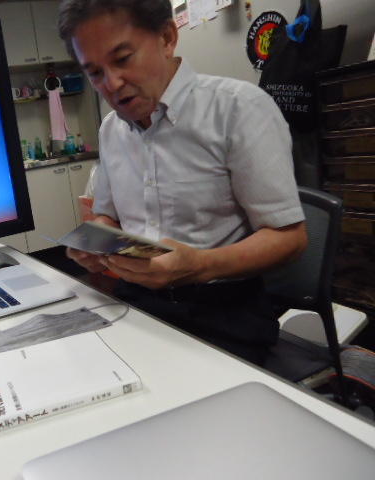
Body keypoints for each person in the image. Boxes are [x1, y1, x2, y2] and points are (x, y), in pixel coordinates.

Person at [57, 0, 308, 365]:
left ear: (167, 37)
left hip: (223, 315)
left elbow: (289, 237)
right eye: (94, 73)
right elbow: (108, 217)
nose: (111, 84)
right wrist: (96, 242)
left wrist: (200, 264)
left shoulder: (239, 109)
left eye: (123, 59)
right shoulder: (112, 129)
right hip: (135, 302)